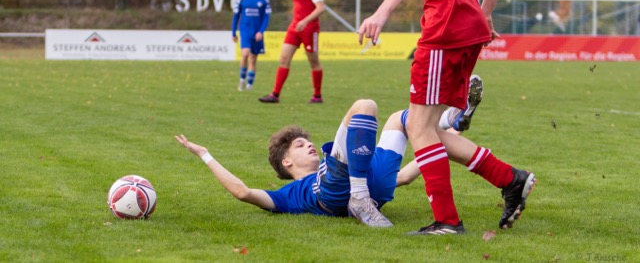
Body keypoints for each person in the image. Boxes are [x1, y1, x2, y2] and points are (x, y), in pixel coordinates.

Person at [357, 0, 535, 235]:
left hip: (444, 32)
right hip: (468, 33)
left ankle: (447, 221)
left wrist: (380, 13)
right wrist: (484, 12)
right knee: (428, 127)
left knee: (419, 128)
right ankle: (510, 179)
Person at [175, 77, 533, 231]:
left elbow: (406, 175)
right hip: (334, 191)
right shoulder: (288, 195)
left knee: (407, 121)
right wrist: (205, 155)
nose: (308, 144)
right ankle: (361, 195)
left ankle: (451, 120)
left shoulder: (341, 160)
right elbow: (242, 192)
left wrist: (444, 139)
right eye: (298, 145)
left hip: (372, 182)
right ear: (286, 163)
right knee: (365, 105)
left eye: (305, 141)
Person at [258, 0, 325, 104]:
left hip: (309, 29)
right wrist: (298, 22)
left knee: (313, 62)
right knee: (284, 59)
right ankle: (275, 95)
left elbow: (320, 8)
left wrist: (305, 21)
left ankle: (317, 96)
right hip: (295, 27)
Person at [231, 0, 271, 92]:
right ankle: (242, 79)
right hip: (245, 31)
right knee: (245, 54)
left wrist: (261, 32)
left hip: (257, 32)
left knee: (253, 59)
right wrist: (233, 32)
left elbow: (266, 18)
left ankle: (249, 85)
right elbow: (236, 16)